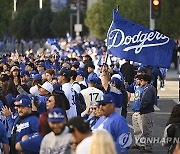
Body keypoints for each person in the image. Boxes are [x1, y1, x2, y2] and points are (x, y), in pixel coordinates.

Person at [138, 74, 156, 153]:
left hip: (147, 112)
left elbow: (147, 101)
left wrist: (141, 108)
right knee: (146, 130)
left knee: (147, 130)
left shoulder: (149, 89)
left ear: (146, 81)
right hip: (146, 111)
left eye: (142, 80)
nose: (140, 82)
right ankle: (146, 145)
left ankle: (148, 147)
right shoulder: (147, 89)